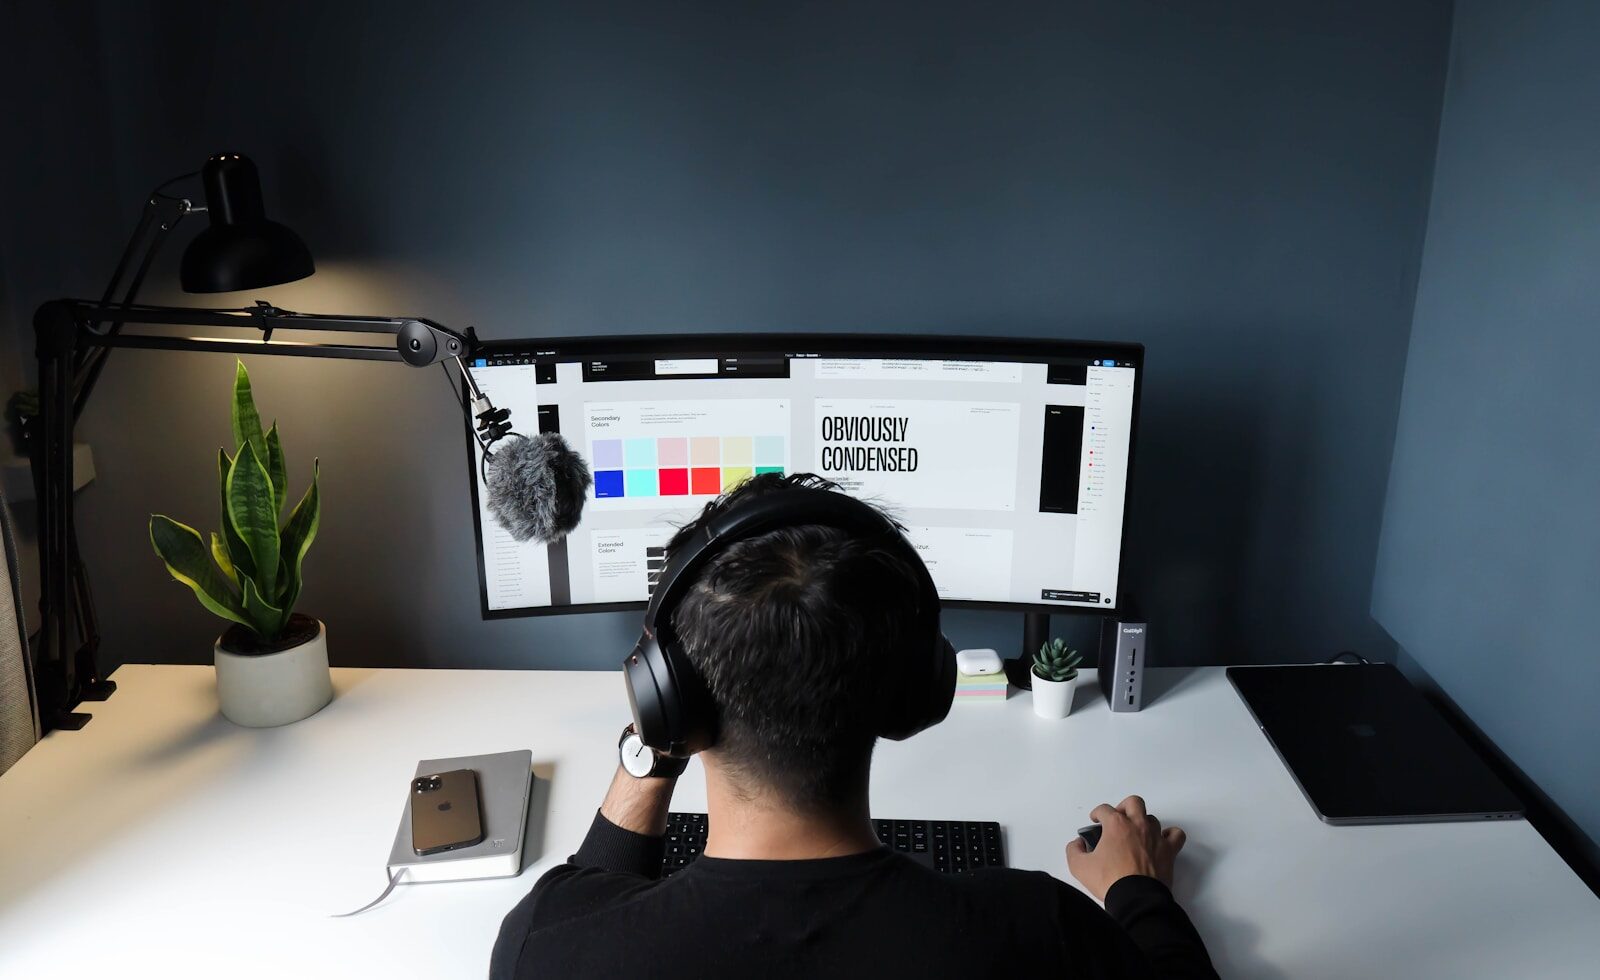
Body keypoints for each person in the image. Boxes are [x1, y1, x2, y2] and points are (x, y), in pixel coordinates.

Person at [491, 473, 1218, 978]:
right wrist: (1138, 889)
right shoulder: (1034, 932)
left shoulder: (548, 946)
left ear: (666, 700)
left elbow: (590, 886)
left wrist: (653, 744)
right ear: (915, 693)